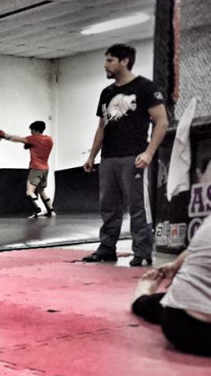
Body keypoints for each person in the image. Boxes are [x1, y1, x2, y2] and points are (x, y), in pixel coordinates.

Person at [82, 43, 168, 266]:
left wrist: (149, 153)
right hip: (109, 157)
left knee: (137, 206)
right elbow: (102, 126)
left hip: (134, 156)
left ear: (124, 61)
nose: (105, 65)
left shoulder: (145, 88)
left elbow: (162, 121)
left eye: (110, 60)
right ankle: (106, 248)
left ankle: (142, 251)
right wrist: (92, 156)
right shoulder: (107, 93)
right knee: (108, 205)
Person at [131, 216, 211, 356]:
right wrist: (175, 266)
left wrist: (176, 265)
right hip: (193, 327)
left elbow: (194, 251)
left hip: (178, 322)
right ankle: (143, 299)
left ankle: (142, 299)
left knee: (170, 302)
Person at [0, 121, 55, 218]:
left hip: (36, 168)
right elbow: (39, 147)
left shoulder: (34, 138)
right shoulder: (49, 139)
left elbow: (17, 139)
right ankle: (51, 212)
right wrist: (30, 145)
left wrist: (4, 135)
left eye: (32, 131)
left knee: (29, 192)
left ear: (35, 130)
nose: (31, 133)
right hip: (45, 169)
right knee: (41, 191)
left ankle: (38, 210)